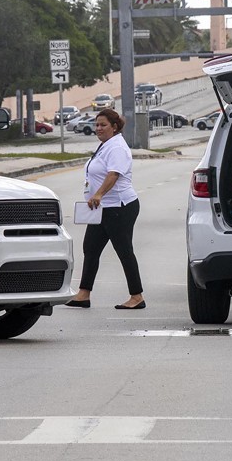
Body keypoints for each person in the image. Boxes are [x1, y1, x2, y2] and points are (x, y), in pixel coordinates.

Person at [66, 108, 145, 310]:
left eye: (103, 125)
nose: (98, 128)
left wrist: (99, 193)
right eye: (97, 125)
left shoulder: (117, 147)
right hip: (102, 208)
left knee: (124, 250)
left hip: (119, 206)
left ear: (114, 127)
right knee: (90, 249)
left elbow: (114, 174)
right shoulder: (105, 145)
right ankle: (84, 294)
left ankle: (137, 296)